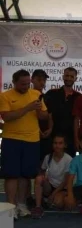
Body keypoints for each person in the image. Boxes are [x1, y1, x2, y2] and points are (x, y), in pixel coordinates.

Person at [0, 69, 49, 219]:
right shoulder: (5, 96)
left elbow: (44, 116)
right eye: (22, 84)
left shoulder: (36, 94)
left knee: (25, 175)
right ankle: (11, 207)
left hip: (32, 140)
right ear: (14, 82)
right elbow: (7, 117)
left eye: (28, 83)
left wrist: (39, 111)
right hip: (11, 139)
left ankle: (21, 205)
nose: (26, 86)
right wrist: (28, 108)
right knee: (11, 175)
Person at [32, 135, 72, 218]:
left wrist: (53, 194)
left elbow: (65, 181)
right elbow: (42, 171)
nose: (57, 145)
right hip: (49, 186)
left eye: (60, 143)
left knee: (58, 203)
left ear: (65, 145)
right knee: (39, 179)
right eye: (55, 143)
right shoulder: (48, 157)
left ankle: (51, 199)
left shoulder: (69, 159)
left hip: (62, 188)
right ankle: (38, 207)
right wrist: (44, 177)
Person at [43, 66, 81, 156]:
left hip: (70, 137)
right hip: (53, 135)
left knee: (70, 162)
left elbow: (77, 119)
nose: (69, 78)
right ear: (63, 77)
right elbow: (47, 114)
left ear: (76, 79)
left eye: (71, 76)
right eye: (67, 76)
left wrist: (77, 139)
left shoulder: (78, 96)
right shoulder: (51, 93)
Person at [31, 69, 52, 166]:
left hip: (46, 134)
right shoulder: (28, 96)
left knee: (44, 163)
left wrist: (50, 128)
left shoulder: (47, 97)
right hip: (32, 134)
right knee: (32, 162)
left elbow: (50, 115)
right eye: (39, 80)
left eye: (44, 80)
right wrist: (37, 129)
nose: (42, 83)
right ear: (32, 80)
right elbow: (31, 116)